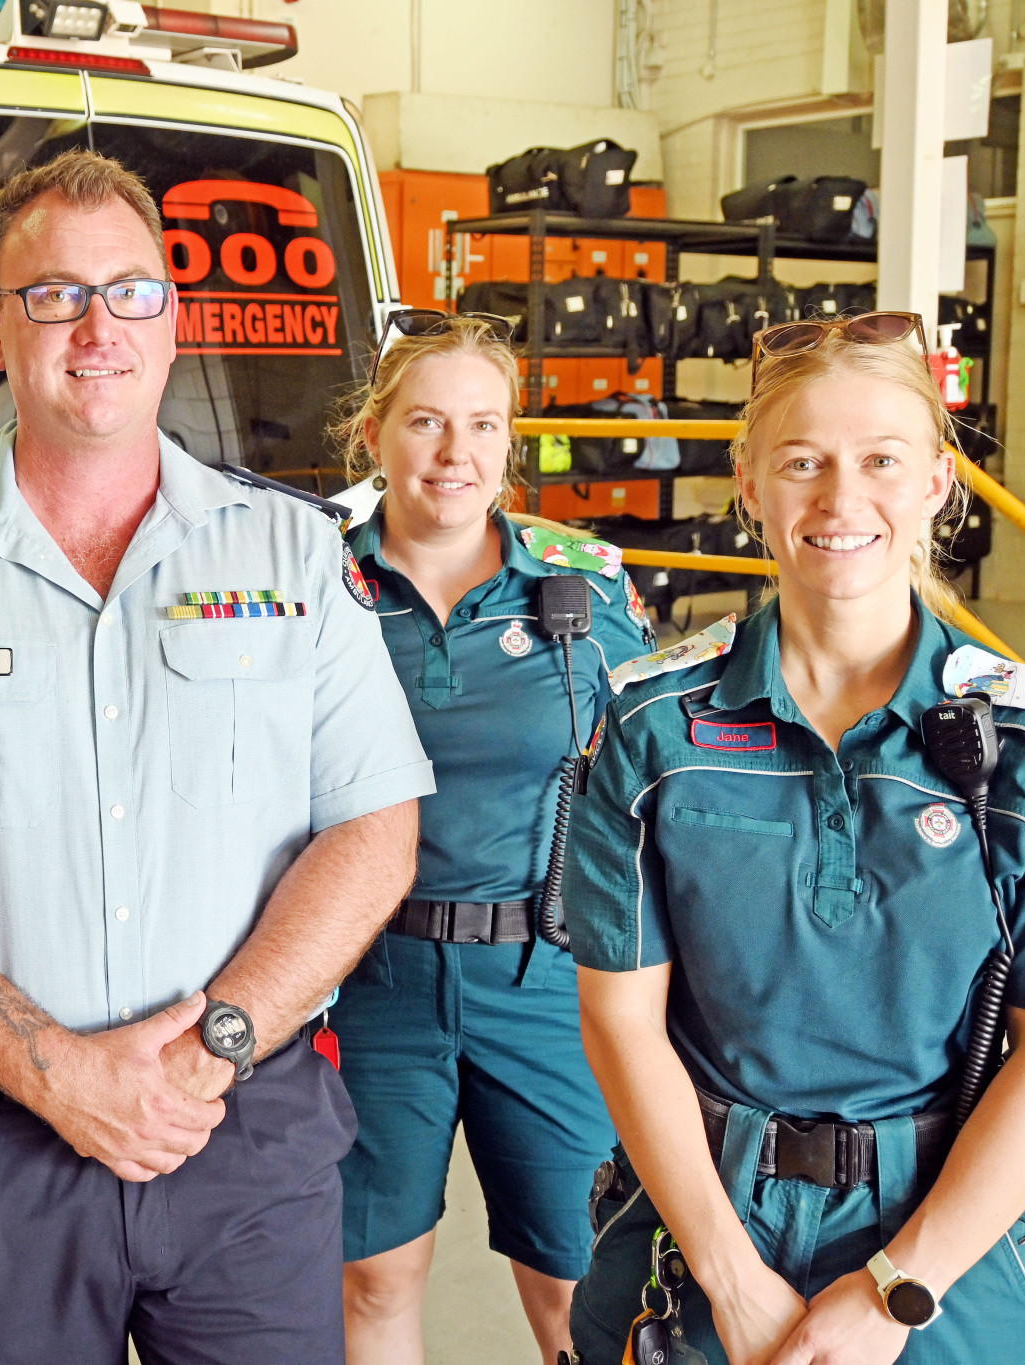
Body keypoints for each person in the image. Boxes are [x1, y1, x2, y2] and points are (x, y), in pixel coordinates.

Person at [0, 149, 434, 1365]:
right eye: (54, 294)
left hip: (244, 1135)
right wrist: (56, 1074)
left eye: (128, 290)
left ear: (170, 320)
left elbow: (373, 828)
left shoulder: (290, 555)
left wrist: (214, 1041)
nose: (95, 327)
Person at [562, 313, 1025, 1365]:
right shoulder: (651, 724)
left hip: (939, 1226)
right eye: (801, 463)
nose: (838, 500)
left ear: (934, 483)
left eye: (878, 461)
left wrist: (894, 1290)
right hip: (698, 1215)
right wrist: (727, 1278)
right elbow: (619, 1022)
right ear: (747, 484)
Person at [331, 313, 655, 1365]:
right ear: (373, 433)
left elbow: (657, 769)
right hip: (368, 977)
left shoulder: (585, 586)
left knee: (576, 1280)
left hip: (546, 979)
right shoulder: (309, 590)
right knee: (374, 1272)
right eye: (423, 421)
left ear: (508, 442)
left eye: (481, 425)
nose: (452, 453)